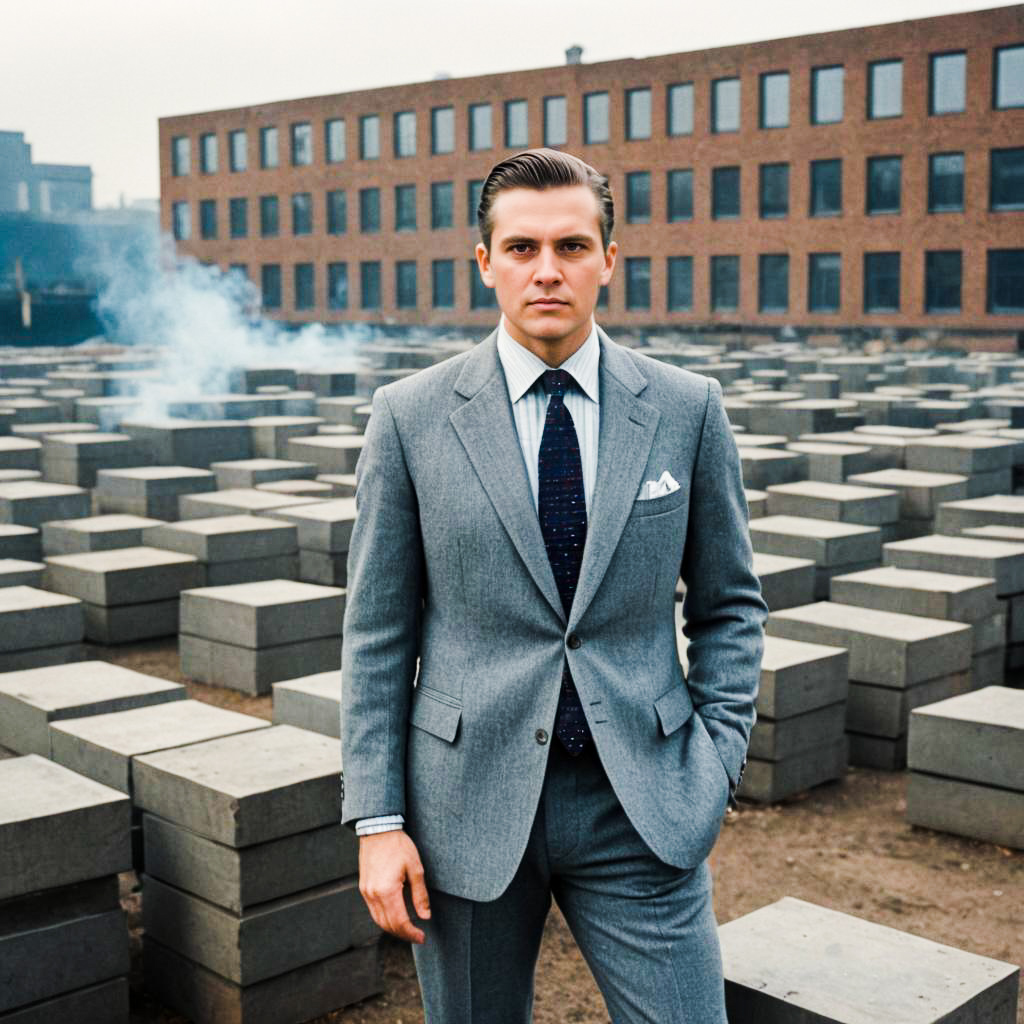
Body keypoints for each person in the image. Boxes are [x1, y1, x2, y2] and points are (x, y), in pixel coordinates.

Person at [341, 147, 768, 1022]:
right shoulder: (410, 417)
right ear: (485, 262)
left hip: (642, 799)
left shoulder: (688, 409)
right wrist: (378, 821)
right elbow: (377, 636)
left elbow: (731, 607)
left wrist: (715, 761)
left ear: (609, 260)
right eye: (524, 248)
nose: (548, 271)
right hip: (464, 806)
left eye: (573, 247)